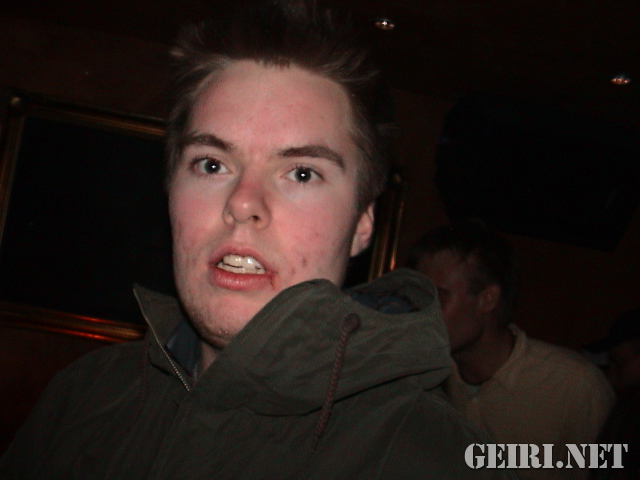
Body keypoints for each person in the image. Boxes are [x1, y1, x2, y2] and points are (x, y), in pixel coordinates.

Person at [0, 2, 517, 479]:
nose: (243, 202)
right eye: (212, 164)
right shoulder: (83, 396)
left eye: (302, 173)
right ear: (170, 192)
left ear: (363, 223)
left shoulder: (436, 461)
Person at [408, 221, 615, 480]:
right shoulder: (420, 380)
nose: (420, 310)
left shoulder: (574, 385)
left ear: (488, 299)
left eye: (438, 296)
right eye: (416, 296)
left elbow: (613, 469)